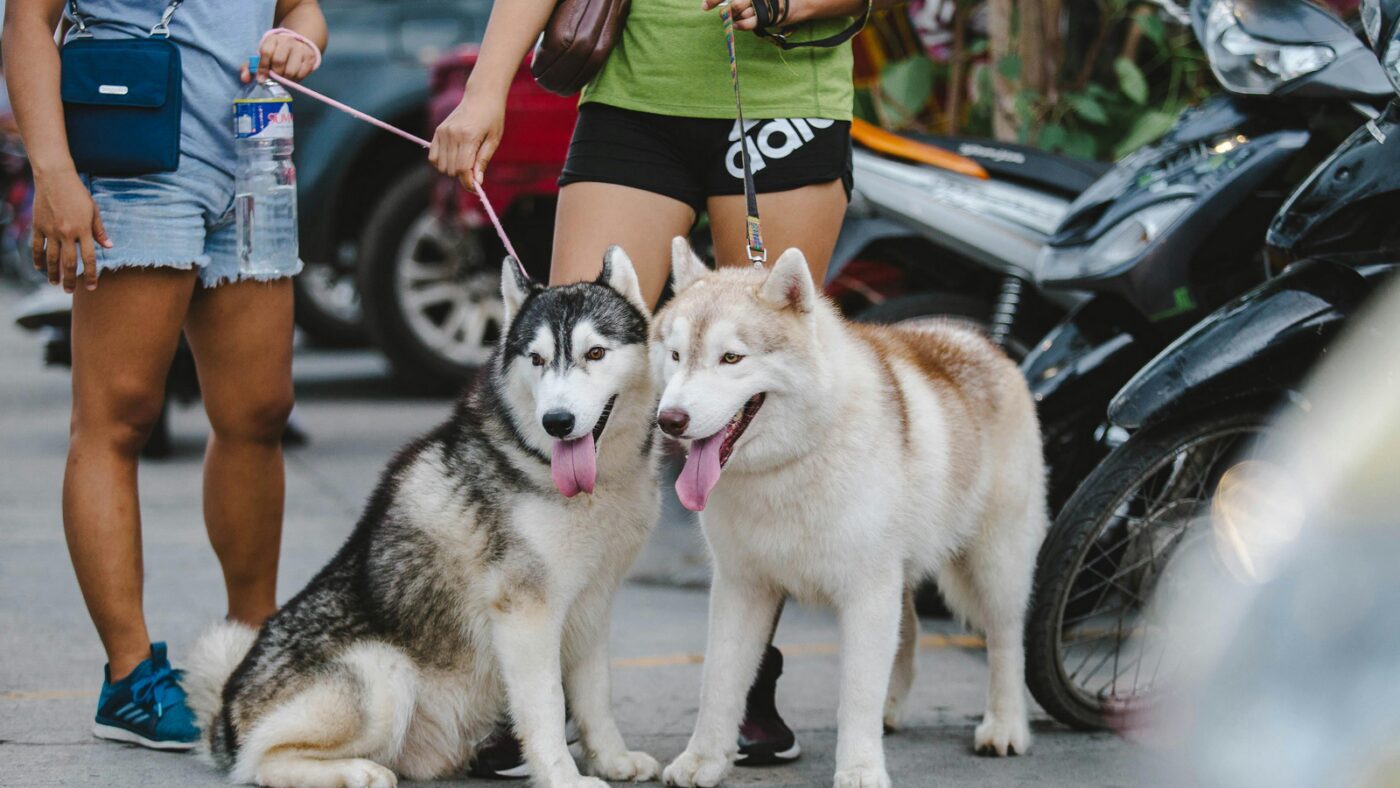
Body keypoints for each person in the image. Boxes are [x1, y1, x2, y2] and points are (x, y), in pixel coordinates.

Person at [430, 0, 898, 774]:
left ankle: (746, 683)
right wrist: (485, 88)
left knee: (756, 398)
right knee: (578, 373)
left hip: (785, 105)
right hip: (633, 100)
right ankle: (532, 693)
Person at [2, 0, 326, 750]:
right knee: (119, 417)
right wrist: (53, 175)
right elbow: (26, 20)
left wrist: (298, 42)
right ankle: (129, 677)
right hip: (135, 161)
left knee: (258, 413)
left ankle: (256, 648)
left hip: (251, 163)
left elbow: (301, 10)